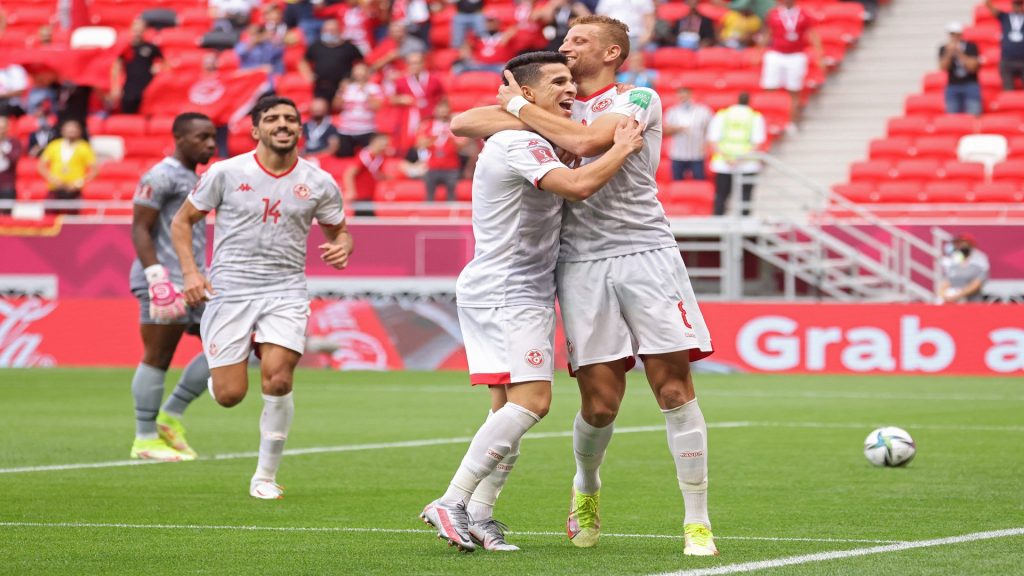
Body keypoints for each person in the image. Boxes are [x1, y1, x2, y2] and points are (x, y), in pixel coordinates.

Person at [450, 15, 718, 556]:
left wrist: (518, 105)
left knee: (672, 388)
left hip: (645, 254)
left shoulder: (636, 99)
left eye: (579, 40)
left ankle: (697, 520)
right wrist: (524, 107)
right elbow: (464, 120)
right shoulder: (556, 106)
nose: (565, 46)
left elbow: (590, 140)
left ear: (612, 52)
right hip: (579, 264)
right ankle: (586, 487)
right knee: (599, 405)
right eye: (566, 39)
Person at [420, 50, 644, 553]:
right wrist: (621, 148)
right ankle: (451, 501)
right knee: (533, 403)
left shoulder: (534, 133)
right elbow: (578, 186)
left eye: (571, 81)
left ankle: (480, 515)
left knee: (506, 410)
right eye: (558, 82)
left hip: (517, 288)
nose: (570, 89)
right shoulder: (518, 141)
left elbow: (470, 122)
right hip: (507, 290)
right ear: (526, 94)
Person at [170, 95, 353, 499]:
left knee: (279, 377)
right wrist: (190, 273)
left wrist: (343, 246)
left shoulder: (319, 181)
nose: (282, 124)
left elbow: (339, 230)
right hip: (230, 290)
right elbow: (182, 221)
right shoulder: (226, 173)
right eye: (272, 118)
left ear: (300, 130)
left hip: (285, 290)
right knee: (229, 395)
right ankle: (244, 354)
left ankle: (264, 477)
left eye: (290, 118)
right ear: (256, 129)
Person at [128, 112, 218, 462]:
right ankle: (145, 438)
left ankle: (170, 415)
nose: (210, 144)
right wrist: (156, 278)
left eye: (213, 137)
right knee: (158, 356)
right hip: (163, 281)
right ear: (179, 138)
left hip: (194, 279)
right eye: (202, 137)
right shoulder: (160, 176)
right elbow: (140, 227)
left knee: (229, 345)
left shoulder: (197, 178)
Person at [759, 0, 824, 133]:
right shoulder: (773, 14)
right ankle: (770, 121)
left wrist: (819, 54)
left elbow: (812, 34)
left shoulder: (804, 15)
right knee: (770, 88)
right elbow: (767, 33)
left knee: (794, 90)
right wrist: (759, 52)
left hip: (796, 54)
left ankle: (792, 121)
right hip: (776, 53)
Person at [706, 91, 766, 216]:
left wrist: (728, 158)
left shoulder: (722, 115)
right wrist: (740, 159)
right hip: (747, 164)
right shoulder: (755, 117)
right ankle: (745, 222)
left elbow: (712, 140)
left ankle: (718, 221)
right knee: (745, 197)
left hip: (724, 163)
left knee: (721, 196)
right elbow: (757, 143)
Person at [37, 119, 96, 214]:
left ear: (79, 131)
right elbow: (41, 165)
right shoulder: (54, 145)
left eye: (74, 129)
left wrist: (80, 182)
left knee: (72, 219)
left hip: (74, 190)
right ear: (62, 131)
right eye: (69, 129)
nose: (71, 132)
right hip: (55, 188)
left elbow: (94, 170)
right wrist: (51, 178)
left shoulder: (84, 147)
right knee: (50, 216)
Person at [299, 18, 364, 102]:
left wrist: (351, 79)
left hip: (343, 87)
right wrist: (308, 75)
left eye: (332, 30)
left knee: (340, 105)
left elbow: (361, 64)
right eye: (326, 30)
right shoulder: (316, 46)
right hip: (322, 86)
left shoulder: (349, 47)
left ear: (339, 30)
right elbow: (303, 61)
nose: (329, 33)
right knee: (318, 107)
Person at [110, 18, 163, 114]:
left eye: (140, 30)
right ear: (131, 30)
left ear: (145, 30)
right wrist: (115, 86)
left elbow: (165, 63)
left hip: (147, 88)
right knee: (129, 115)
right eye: (136, 30)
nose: (137, 33)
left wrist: (158, 68)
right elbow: (117, 67)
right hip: (130, 88)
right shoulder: (126, 47)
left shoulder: (151, 47)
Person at [417, 100, 464, 202]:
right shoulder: (427, 125)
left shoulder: (454, 126)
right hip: (432, 165)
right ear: (435, 110)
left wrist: (449, 136)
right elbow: (420, 144)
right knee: (429, 196)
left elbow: (462, 145)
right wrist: (435, 137)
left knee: (451, 196)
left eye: (445, 108)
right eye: (440, 108)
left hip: (451, 166)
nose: (443, 111)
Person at [336, 62, 383, 157]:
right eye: (357, 70)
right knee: (345, 158)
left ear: (368, 72)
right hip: (346, 130)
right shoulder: (347, 87)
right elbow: (336, 106)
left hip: (366, 130)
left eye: (362, 70)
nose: (359, 73)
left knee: (367, 158)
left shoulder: (375, 88)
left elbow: (377, 107)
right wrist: (341, 91)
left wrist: (365, 91)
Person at [664, 87, 712, 181]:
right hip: (678, 154)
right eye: (681, 97)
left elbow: (710, 130)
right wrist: (677, 129)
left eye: (685, 96)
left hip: (697, 154)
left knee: (699, 182)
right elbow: (665, 131)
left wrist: (707, 144)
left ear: (691, 95)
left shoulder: (703, 111)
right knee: (677, 183)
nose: (683, 99)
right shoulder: (672, 111)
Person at [938, 22, 981, 116]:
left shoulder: (971, 46)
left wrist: (959, 53)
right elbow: (943, 67)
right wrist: (949, 53)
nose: (953, 37)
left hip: (970, 84)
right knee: (952, 118)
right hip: (953, 85)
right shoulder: (944, 48)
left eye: (955, 34)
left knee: (974, 115)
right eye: (951, 34)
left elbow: (973, 67)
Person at [342, 133, 389, 216]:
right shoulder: (363, 156)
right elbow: (349, 174)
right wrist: (350, 191)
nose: (384, 147)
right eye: (382, 144)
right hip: (360, 196)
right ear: (375, 142)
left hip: (370, 195)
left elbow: (376, 174)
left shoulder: (380, 157)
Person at [938, 233, 989, 304]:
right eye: (958, 244)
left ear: (971, 245)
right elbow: (946, 282)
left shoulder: (980, 262)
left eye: (963, 243)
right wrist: (944, 295)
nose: (960, 246)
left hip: (971, 304)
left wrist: (958, 295)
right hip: (953, 304)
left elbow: (977, 284)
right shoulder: (953, 263)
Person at [986, 0, 1024, 90]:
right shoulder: (1005, 16)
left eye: (1019, 4)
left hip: (1023, 59)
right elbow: (990, 6)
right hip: (1007, 60)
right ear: (1012, 5)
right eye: (1016, 4)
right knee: (1008, 89)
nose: (1017, 6)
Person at [0, 116, 21, 210]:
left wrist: (3, 151)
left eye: (3, 128)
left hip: (6, 184)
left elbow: (14, 159)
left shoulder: (14, 143)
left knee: (6, 213)